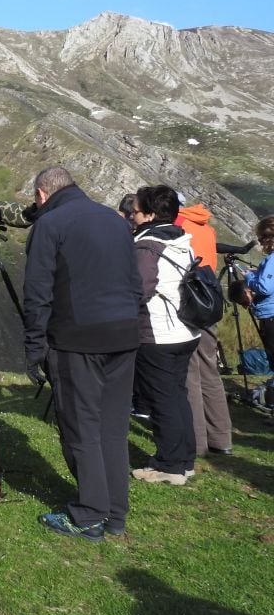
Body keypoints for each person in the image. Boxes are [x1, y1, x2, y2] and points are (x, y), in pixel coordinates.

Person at [23, 167, 141, 541]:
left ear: (42, 194)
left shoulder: (51, 224)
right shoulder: (115, 219)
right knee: (112, 426)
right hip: (124, 335)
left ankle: (89, 514)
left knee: (80, 427)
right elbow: (135, 283)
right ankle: (115, 515)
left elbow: (38, 292)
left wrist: (34, 347)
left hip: (78, 339)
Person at [130, 186, 201, 485]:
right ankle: (184, 459)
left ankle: (169, 466)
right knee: (176, 394)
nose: (132, 216)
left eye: (135, 211)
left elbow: (139, 289)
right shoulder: (181, 239)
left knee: (161, 399)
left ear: (149, 214)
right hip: (185, 330)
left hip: (158, 333)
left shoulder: (148, 245)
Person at [175, 197, 233, 455]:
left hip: (188, 302)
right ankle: (222, 438)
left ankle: (196, 442)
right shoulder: (205, 226)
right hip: (210, 301)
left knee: (189, 371)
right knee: (209, 369)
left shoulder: (178, 224)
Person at [245, 215, 274, 403]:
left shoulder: (272, 259)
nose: (262, 244)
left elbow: (264, 287)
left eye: (262, 239)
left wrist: (250, 278)